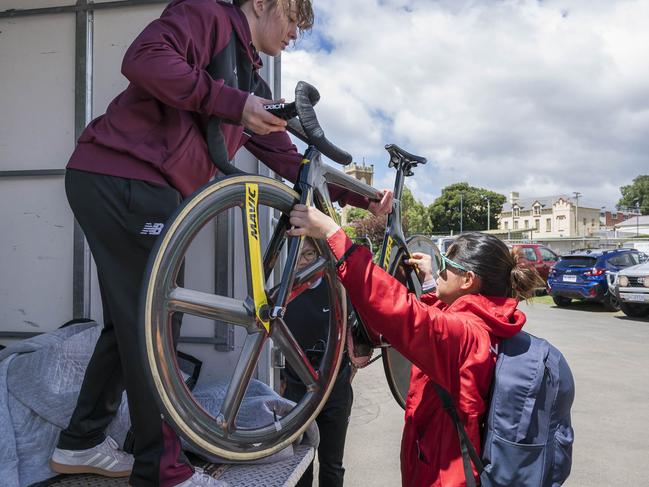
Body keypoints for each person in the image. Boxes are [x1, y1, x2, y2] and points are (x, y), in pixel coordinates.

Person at [49, 1, 392, 486]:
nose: (295, 33)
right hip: (123, 177)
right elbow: (143, 59)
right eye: (292, 18)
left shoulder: (251, 83)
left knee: (133, 321)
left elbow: (289, 159)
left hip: (131, 184)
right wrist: (233, 104)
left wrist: (361, 198)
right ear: (259, 4)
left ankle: (80, 442)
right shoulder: (206, 16)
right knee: (156, 325)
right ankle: (163, 470)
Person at [286, 205, 544, 487]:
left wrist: (333, 234)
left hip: (444, 477)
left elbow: (402, 312)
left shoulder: (465, 336)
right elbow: (441, 326)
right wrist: (432, 283)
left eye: (446, 266)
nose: (440, 269)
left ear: (468, 280)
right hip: (449, 463)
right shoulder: (485, 324)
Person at [281, 239, 354, 487]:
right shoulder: (285, 292)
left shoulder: (338, 289)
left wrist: (348, 372)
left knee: (332, 464)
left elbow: (353, 337)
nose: (304, 262)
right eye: (298, 257)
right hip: (298, 390)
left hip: (335, 389)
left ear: (321, 254)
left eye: (310, 254)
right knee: (301, 464)